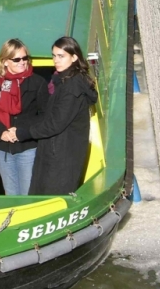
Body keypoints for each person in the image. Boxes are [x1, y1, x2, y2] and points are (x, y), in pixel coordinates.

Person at [7, 36, 97, 195]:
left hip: (61, 155)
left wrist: (22, 133)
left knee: (51, 198)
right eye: (54, 55)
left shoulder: (71, 87)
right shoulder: (65, 80)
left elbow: (54, 123)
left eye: (61, 56)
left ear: (74, 57)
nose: (56, 60)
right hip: (58, 149)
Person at [0, 38, 49, 196]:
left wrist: (20, 131)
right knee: (11, 193)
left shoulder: (37, 82)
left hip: (27, 146)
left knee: (27, 193)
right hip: (3, 147)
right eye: (17, 59)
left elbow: (45, 115)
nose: (22, 62)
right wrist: (2, 132)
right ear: (5, 61)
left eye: (25, 58)